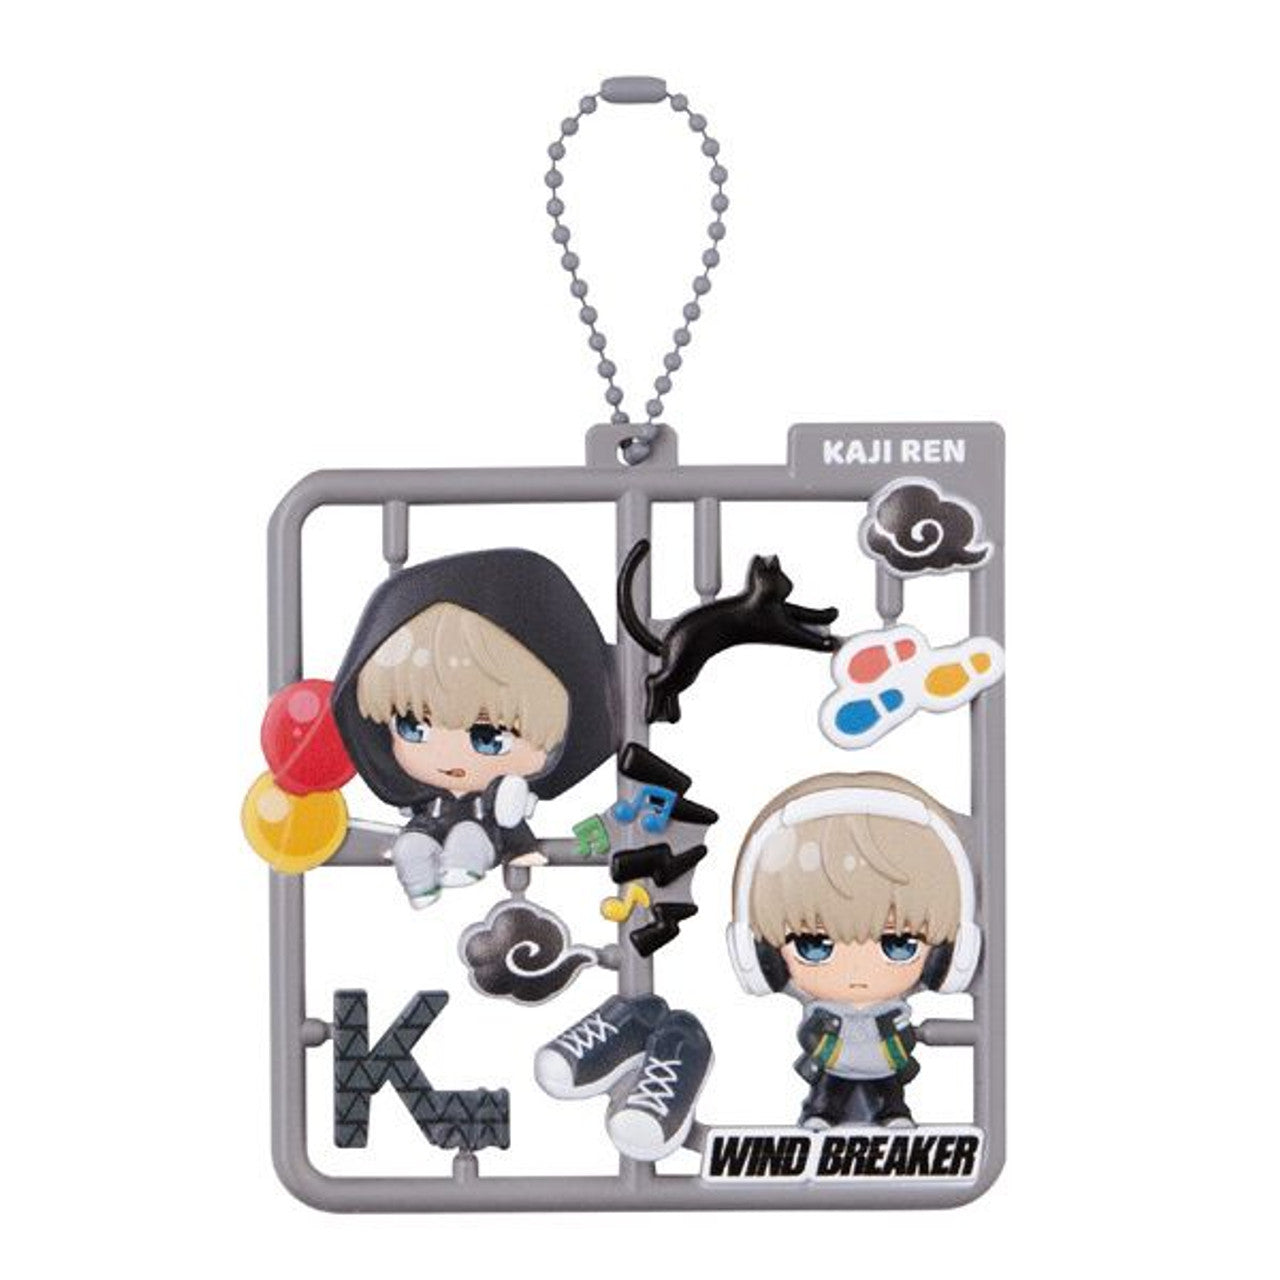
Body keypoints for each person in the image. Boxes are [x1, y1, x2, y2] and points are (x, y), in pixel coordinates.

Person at [330, 548, 617, 907]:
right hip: (429, 827)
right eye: (413, 726)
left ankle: (462, 866)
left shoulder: (499, 794)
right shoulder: (423, 798)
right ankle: (421, 882)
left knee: (470, 838)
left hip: (483, 829)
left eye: (489, 738)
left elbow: (510, 820)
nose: (447, 757)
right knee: (411, 846)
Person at [728, 772, 980, 1127]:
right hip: (834, 1068)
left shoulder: (893, 1016)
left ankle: (893, 1114)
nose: (857, 972)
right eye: (814, 945)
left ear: (950, 956)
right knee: (829, 1094)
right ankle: (821, 1114)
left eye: (899, 944)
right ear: (758, 955)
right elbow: (812, 1038)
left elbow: (904, 1044)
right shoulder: (824, 1016)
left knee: (889, 1094)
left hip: (883, 1068)